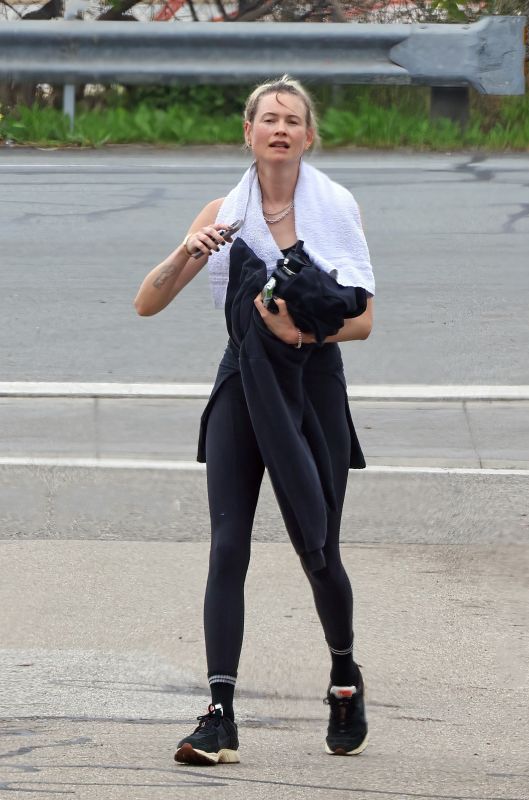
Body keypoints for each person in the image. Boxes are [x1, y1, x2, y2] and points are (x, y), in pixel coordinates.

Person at [134, 75, 375, 766]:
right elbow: (145, 305)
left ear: (306, 137)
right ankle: (219, 714)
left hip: (313, 384)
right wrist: (191, 249)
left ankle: (343, 678)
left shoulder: (335, 210)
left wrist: (300, 336)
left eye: (290, 120)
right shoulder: (222, 213)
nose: (278, 127)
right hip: (242, 378)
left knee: (318, 549)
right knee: (227, 544)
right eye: (266, 117)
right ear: (247, 132)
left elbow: (362, 320)